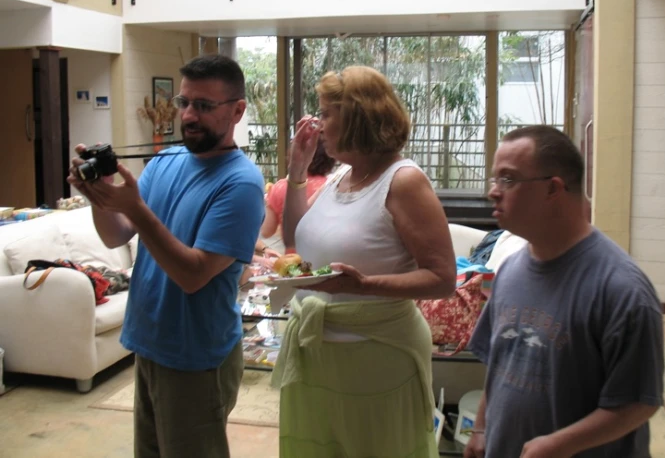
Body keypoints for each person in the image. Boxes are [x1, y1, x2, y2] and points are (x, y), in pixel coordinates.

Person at [67, 54, 265, 458]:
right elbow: (115, 234)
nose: (189, 115)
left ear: (238, 110)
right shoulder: (165, 162)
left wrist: (136, 208)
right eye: (184, 102)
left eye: (204, 106)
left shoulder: (241, 182)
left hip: (197, 355)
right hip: (149, 342)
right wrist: (98, 193)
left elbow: (193, 274)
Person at [271, 66, 456, 458]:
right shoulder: (342, 176)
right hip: (317, 354)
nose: (318, 124)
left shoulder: (403, 181)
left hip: (377, 356)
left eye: (325, 113)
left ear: (355, 117)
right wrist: (296, 171)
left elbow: (442, 279)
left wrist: (364, 286)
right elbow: (294, 241)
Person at [463, 125, 664, 458]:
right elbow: (500, 366)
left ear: (553, 189)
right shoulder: (510, 271)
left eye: (508, 180)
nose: (493, 192)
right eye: (494, 179)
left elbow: (639, 402)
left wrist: (561, 444)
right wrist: (482, 428)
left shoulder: (622, 291)